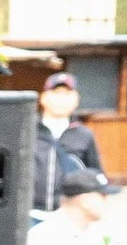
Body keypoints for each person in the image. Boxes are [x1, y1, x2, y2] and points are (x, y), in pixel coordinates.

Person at [29, 71, 104, 213]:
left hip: (68, 214)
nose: (61, 99)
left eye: (67, 94)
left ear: (76, 100)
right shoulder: (26, 129)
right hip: (29, 212)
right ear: (43, 98)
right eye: (56, 93)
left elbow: (95, 173)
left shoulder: (84, 135)